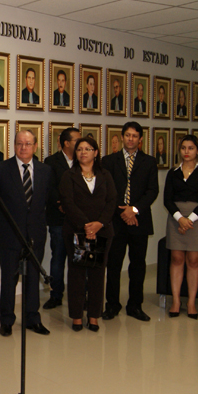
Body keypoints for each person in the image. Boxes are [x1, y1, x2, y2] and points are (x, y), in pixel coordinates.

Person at [0, 130, 53, 336]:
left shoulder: (45, 170)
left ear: (35, 146)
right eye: (19, 144)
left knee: (33, 277)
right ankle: (6, 320)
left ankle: (32, 319)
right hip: (9, 233)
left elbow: (48, 200)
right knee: (9, 278)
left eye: (27, 144)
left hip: (36, 233)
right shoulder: (1, 169)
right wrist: (9, 218)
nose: (23, 148)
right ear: (14, 145)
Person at [102, 121, 159, 322]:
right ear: (122, 137)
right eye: (127, 135)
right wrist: (123, 211)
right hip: (116, 221)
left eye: (135, 136)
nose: (131, 139)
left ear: (140, 139)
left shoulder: (149, 162)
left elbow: (152, 191)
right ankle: (112, 305)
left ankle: (135, 306)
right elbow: (107, 190)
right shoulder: (109, 161)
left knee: (138, 266)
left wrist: (133, 210)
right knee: (113, 265)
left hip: (139, 221)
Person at [59, 137, 116, 332]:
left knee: (97, 275)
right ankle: (76, 316)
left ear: (96, 153)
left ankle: (93, 316)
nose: (83, 152)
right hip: (76, 231)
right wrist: (86, 226)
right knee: (76, 274)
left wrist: (99, 224)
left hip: (102, 231)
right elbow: (67, 202)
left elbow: (112, 201)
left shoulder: (105, 174)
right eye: (79, 149)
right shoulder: (69, 175)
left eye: (88, 149)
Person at [163, 135, 198, 319]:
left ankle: (191, 302)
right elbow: (167, 200)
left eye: (191, 148)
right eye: (183, 148)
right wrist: (180, 219)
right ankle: (176, 301)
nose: (186, 151)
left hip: (197, 218)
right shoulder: (173, 172)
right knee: (176, 258)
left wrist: (189, 220)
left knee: (193, 260)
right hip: (175, 217)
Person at [43, 127, 80, 310]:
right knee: (58, 258)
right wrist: (61, 203)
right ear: (66, 143)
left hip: (80, 219)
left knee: (79, 259)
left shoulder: (83, 160)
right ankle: (56, 295)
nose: (80, 144)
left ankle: (80, 294)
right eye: (76, 140)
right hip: (58, 218)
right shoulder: (51, 162)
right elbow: (48, 187)